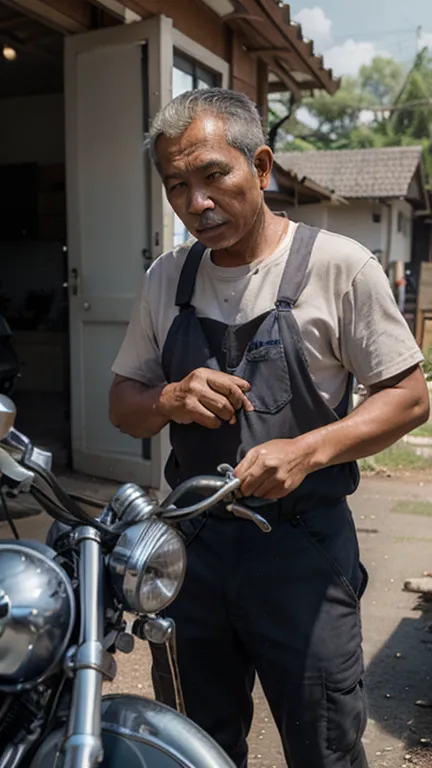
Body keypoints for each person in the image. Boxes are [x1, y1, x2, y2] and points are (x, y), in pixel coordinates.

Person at [109, 88, 429, 768]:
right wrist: (168, 397)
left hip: (301, 550)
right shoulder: (168, 279)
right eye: (177, 186)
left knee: (323, 743)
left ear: (260, 165)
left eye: (213, 175)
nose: (197, 202)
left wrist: (310, 450)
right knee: (193, 740)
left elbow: (407, 397)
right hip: (191, 547)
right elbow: (122, 403)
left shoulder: (339, 267)